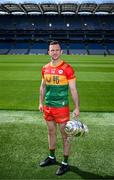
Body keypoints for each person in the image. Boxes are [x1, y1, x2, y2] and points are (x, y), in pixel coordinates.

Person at [39, 41, 79, 176]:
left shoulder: (67, 68)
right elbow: (43, 86)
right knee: (51, 132)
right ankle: (51, 157)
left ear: (61, 51)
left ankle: (65, 163)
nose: (54, 52)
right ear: (48, 52)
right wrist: (40, 102)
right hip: (48, 106)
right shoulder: (45, 68)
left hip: (61, 107)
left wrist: (77, 107)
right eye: (52, 50)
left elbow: (73, 89)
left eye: (57, 50)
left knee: (65, 135)